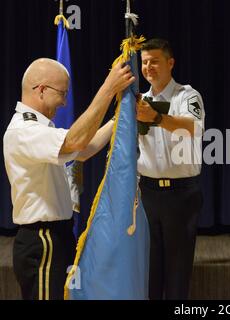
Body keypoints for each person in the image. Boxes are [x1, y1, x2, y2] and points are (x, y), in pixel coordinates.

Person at [3, 58, 134, 300]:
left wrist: (120, 117)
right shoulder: (24, 131)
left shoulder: (41, 128)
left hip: (57, 236)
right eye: (62, 93)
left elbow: (85, 149)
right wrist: (108, 88)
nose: (64, 102)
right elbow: (76, 141)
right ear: (41, 90)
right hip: (43, 240)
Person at [136, 38, 205, 300]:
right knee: (149, 271)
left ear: (170, 63)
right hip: (149, 193)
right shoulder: (138, 100)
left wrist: (155, 117)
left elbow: (194, 127)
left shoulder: (187, 95)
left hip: (181, 195)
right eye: (144, 62)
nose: (148, 67)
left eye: (154, 61)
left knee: (177, 273)